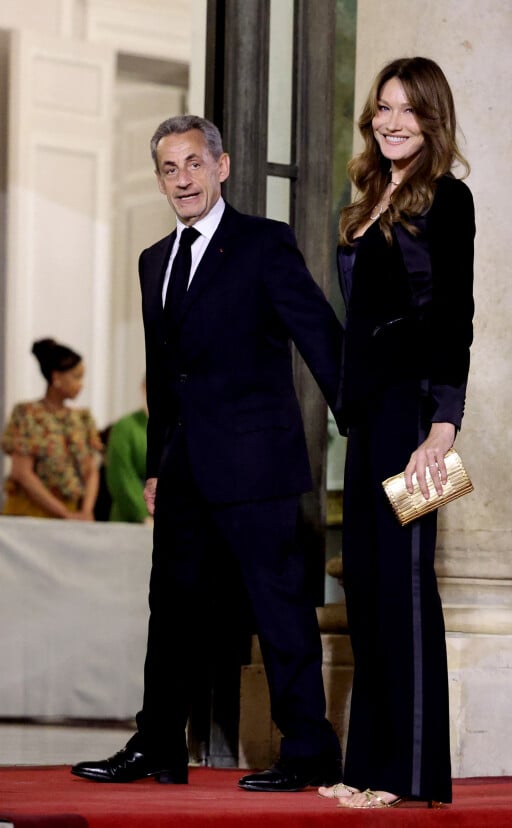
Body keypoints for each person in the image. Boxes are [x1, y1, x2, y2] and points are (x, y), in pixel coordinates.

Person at [71, 114, 344, 791]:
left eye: (194, 163)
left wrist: (369, 424)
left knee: (277, 609)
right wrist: (159, 464)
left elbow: (320, 338)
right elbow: (165, 376)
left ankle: (308, 748)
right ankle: (160, 743)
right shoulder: (153, 261)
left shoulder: (263, 244)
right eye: (170, 168)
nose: (183, 178)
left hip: (258, 464)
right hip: (187, 465)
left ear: (221, 168)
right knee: (171, 608)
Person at [318, 57, 475, 808]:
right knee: (371, 591)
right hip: (370, 417)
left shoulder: (450, 201)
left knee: (408, 589)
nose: (390, 121)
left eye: (407, 110)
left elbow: (453, 316)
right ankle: (365, 768)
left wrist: (444, 423)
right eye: (382, 107)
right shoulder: (368, 200)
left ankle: (411, 777)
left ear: (431, 119)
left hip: (416, 413)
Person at [1, 338, 102, 520]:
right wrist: (65, 514)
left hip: (73, 513)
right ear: (56, 377)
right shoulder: (28, 414)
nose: (81, 384)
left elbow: (91, 470)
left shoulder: (82, 418)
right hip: (30, 513)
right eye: (76, 377)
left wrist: (85, 510)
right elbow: (22, 473)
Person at [105, 377, 151, 524]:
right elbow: (121, 476)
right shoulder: (125, 427)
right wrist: (144, 515)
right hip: (131, 520)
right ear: (143, 388)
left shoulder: (180, 429)